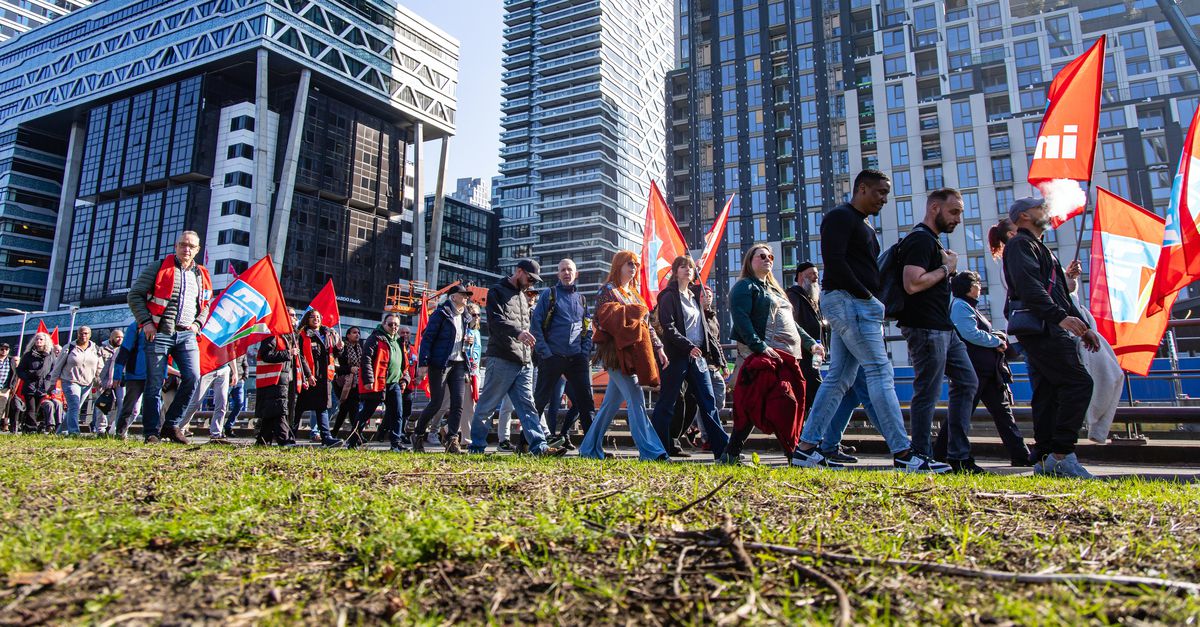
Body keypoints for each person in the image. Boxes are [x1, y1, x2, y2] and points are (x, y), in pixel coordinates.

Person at [793, 169, 950, 472]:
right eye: (880, 192)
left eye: (887, 194)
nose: (884, 200)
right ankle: (904, 453)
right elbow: (835, 263)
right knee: (879, 370)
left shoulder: (864, 226)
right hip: (849, 302)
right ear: (861, 189)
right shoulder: (840, 217)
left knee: (840, 377)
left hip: (854, 304)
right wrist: (869, 297)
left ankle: (806, 448)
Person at [1002, 197, 1101, 478]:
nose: (1045, 212)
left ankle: (1046, 457)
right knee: (1078, 383)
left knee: (1047, 393)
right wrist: (1060, 318)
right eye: (1039, 208)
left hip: (1044, 327)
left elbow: (1058, 292)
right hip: (1043, 328)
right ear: (1023, 216)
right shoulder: (1021, 244)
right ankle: (1061, 454)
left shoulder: (1040, 248)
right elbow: (1030, 288)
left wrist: (1082, 325)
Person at [895, 188, 982, 473]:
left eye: (960, 212)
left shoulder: (933, 242)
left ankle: (956, 454)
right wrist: (946, 270)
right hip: (925, 328)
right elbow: (912, 283)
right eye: (953, 211)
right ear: (934, 208)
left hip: (945, 327)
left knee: (968, 381)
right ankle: (920, 455)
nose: (958, 218)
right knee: (928, 392)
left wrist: (946, 269)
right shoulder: (920, 239)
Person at [727, 244, 820, 461]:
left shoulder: (776, 291)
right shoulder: (744, 287)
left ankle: (732, 453)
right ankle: (792, 454)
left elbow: (792, 324)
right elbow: (741, 319)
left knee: (761, 403)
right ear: (750, 261)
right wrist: (761, 347)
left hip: (787, 355)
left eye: (770, 256)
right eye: (762, 256)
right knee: (774, 402)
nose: (768, 259)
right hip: (762, 356)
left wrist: (810, 344)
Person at [467, 260, 565, 456]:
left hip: (523, 360)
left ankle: (539, 447)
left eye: (534, 281)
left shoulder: (522, 296)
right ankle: (476, 447)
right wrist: (518, 333)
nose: (531, 283)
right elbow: (496, 322)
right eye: (529, 278)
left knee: (528, 406)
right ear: (519, 271)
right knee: (487, 405)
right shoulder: (496, 291)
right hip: (502, 358)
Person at [579, 252, 668, 461]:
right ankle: (651, 451)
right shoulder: (607, 291)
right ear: (619, 265)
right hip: (615, 355)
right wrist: (629, 314)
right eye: (630, 263)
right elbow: (599, 322)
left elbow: (646, 326)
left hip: (634, 354)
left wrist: (659, 348)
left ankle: (588, 449)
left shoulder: (636, 294)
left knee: (610, 405)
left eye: (636, 264)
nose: (634, 267)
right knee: (636, 398)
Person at [127, 231, 212, 444]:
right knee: (154, 383)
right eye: (183, 245)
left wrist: (197, 324)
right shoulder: (159, 268)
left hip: (187, 334)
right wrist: (146, 323)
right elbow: (134, 295)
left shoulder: (201, 275)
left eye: (191, 246)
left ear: (197, 250)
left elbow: (206, 304)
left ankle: (172, 425)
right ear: (176, 246)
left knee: (193, 377)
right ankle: (151, 432)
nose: (187, 249)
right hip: (160, 332)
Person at [944, 270, 1032, 466]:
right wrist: (996, 341)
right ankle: (942, 452)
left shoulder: (967, 306)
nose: (979, 286)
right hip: (975, 369)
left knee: (999, 413)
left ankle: (1021, 455)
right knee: (962, 413)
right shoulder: (960, 306)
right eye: (976, 283)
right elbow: (969, 333)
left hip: (986, 370)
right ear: (969, 287)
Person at [650, 255, 730, 460]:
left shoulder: (695, 297)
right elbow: (668, 327)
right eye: (683, 267)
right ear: (675, 272)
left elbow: (706, 330)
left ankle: (723, 450)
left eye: (691, 267)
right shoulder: (668, 296)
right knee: (667, 403)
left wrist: (717, 358)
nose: (687, 270)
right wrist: (688, 346)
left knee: (708, 401)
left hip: (698, 357)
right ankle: (658, 449)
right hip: (676, 356)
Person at [531, 259, 595, 449]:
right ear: (558, 274)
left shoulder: (582, 299)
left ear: (576, 274)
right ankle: (527, 444)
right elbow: (536, 325)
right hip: (553, 356)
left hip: (577, 358)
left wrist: (584, 353)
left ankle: (591, 447)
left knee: (586, 402)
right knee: (540, 401)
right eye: (562, 270)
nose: (566, 273)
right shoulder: (549, 295)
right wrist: (546, 354)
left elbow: (587, 329)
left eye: (570, 270)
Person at [1064, 259, 1124, 444]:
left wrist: (1068, 279)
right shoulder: (1023, 254)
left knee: (1110, 376)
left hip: (1076, 337)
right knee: (1081, 386)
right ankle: (1060, 452)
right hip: (1067, 339)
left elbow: (1068, 294)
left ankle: (1061, 450)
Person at [413, 284, 472, 453]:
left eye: (467, 295)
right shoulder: (441, 314)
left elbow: (462, 338)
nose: (466, 297)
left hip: (459, 362)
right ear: (453, 297)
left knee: (458, 402)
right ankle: (417, 434)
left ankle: (452, 439)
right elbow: (427, 338)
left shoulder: (465, 316)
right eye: (463, 294)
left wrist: (467, 342)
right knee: (436, 402)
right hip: (440, 363)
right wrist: (423, 363)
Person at [349, 314, 410, 452]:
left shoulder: (400, 341)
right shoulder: (375, 339)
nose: (393, 327)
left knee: (397, 414)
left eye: (396, 324)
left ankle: (396, 443)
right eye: (390, 324)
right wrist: (369, 380)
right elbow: (366, 360)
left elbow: (404, 364)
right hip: (378, 383)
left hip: (394, 383)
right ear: (383, 324)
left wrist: (404, 379)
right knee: (366, 413)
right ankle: (352, 440)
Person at [295, 309, 343, 448]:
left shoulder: (327, 333)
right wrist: (308, 375)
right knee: (299, 407)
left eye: (318, 317)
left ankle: (326, 438)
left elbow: (334, 354)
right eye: (312, 317)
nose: (316, 319)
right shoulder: (303, 335)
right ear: (307, 319)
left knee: (322, 407)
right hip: (309, 377)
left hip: (324, 378)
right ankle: (290, 435)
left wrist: (339, 348)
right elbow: (301, 357)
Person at [253, 330, 303, 447]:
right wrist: (288, 353)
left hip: (283, 380)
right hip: (273, 380)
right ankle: (284, 440)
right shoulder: (272, 336)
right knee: (279, 410)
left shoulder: (289, 338)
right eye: (292, 315)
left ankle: (262, 441)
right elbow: (266, 355)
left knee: (272, 413)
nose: (294, 318)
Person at [50, 326, 102, 436]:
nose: (83, 335)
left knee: (74, 408)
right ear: (77, 334)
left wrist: (99, 381)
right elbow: (58, 365)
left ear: (90, 335)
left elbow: (99, 367)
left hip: (87, 383)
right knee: (74, 405)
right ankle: (74, 432)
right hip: (70, 381)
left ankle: (59, 432)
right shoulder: (69, 347)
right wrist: (52, 382)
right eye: (81, 333)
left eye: (86, 333)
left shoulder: (95, 349)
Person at [180, 360, 234, 443]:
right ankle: (180, 429)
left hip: (224, 368)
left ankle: (216, 434)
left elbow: (230, 351)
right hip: (206, 368)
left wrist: (235, 371)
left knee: (222, 403)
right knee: (195, 402)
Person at [110, 321, 147, 439]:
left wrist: (164, 374)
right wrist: (117, 375)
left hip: (153, 374)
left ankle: (151, 434)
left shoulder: (162, 324)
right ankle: (120, 432)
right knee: (128, 407)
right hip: (134, 374)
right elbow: (124, 351)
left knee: (151, 406)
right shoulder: (135, 327)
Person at [16, 332, 54, 433]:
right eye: (37, 339)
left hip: (42, 386)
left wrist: (48, 382)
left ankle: (25, 426)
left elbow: (53, 370)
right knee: (31, 408)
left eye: (41, 339)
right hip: (30, 385)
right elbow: (20, 370)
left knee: (36, 409)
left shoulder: (50, 356)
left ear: (46, 341)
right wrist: (28, 377)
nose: (38, 341)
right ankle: (31, 429)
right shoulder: (28, 355)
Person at [88, 329, 124, 435]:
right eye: (117, 337)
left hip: (118, 382)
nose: (120, 340)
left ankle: (111, 427)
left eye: (122, 338)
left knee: (117, 407)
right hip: (103, 383)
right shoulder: (101, 349)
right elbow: (97, 367)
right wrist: (98, 380)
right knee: (102, 407)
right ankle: (100, 430)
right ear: (111, 337)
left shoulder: (123, 351)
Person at [330, 326, 363, 438]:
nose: (357, 334)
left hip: (356, 383)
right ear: (348, 335)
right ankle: (356, 435)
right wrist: (349, 369)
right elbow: (335, 365)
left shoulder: (360, 348)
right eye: (354, 332)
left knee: (345, 409)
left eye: (358, 332)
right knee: (353, 408)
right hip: (343, 383)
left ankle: (334, 432)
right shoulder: (342, 348)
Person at [0, 343, 14, 433]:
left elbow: (13, 375)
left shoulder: (10, 360)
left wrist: (10, 388)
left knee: (1, 406)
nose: (4, 351)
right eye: (2, 349)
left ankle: (4, 424)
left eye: (6, 349)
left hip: (5, 388)